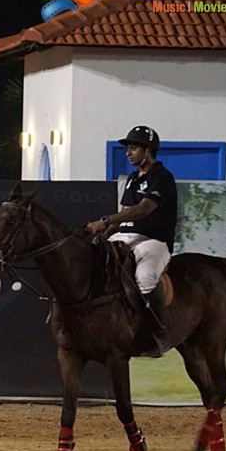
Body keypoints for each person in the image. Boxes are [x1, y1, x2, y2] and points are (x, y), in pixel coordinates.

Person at [86, 125, 177, 357]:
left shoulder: (162, 177)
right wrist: (101, 235)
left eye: (133, 148)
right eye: (128, 148)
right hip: (124, 236)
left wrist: (105, 220)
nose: (128, 152)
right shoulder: (132, 180)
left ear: (147, 150)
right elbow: (124, 213)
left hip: (153, 239)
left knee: (145, 278)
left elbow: (144, 209)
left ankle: (160, 332)